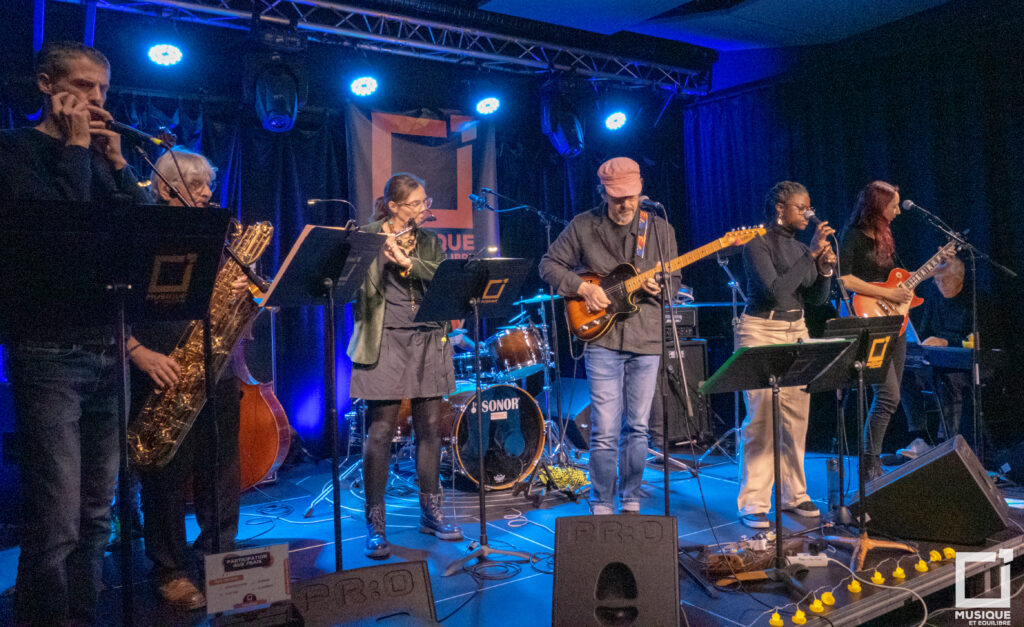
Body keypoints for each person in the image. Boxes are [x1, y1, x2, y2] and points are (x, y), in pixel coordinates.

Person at [0, 41, 151, 625]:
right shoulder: (13, 151)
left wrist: (115, 164)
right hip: (48, 352)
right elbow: (64, 232)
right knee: (57, 521)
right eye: (84, 87)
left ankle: (84, 616)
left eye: (103, 90)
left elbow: (142, 237)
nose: (96, 100)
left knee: (96, 515)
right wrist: (79, 150)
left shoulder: (99, 157)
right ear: (46, 84)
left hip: (106, 348)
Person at [128, 148, 243, 609]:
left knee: (223, 466)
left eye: (208, 185)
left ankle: (220, 552)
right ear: (163, 187)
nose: (208, 194)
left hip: (216, 363)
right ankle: (170, 568)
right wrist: (138, 353)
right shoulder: (142, 229)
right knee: (166, 472)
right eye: (197, 186)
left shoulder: (216, 235)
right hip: (163, 360)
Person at [539, 157, 678, 515]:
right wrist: (583, 288)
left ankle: (631, 497)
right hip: (601, 338)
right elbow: (548, 265)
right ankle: (602, 500)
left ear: (641, 191)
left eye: (631, 197)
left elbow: (673, 284)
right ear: (602, 193)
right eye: (617, 198)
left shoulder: (659, 229)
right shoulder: (584, 225)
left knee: (639, 427)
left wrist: (659, 288)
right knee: (604, 429)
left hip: (646, 338)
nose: (626, 205)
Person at [348, 172, 463, 559]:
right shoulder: (367, 235)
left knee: (430, 428)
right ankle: (375, 525)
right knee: (380, 432)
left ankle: (431, 513)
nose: (423, 209)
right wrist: (378, 257)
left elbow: (445, 280)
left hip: (429, 337)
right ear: (393, 207)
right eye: (415, 204)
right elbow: (350, 287)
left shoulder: (429, 241)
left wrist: (409, 262)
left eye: (424, 202)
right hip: (385, 340)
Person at [735, 181, 835, 529]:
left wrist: (824, 270)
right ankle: (754, 502)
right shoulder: (755, 243)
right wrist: (810, 256)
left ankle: (794, 494)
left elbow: (817, 299)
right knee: (762, 420)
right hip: (761, 329)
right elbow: (777, 291)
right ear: (780, 208)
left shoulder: (798, 249)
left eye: (809, 207)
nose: (808, 213)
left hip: (797, 329)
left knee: (796, 416)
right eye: (801, 207)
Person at [839, 181, 915, 481]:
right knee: (886, 394)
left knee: (891, 399)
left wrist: (907, 289)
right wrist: (886, 295)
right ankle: (867, 464)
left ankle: (871, 463)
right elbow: (844, 279)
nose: (897, 210)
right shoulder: (853, 235)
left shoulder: (886, 235)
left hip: (895, 323)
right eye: (893, 205)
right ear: (877, 205)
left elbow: (895, 280)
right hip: (869, 322)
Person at [899, 256, 973, 455]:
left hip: (963, 364)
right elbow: (924, 330)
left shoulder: (973, 300)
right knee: (905, 374)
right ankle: (920, 436)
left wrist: (947, 342)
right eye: (937, 281)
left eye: (946, 280)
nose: (941, 285)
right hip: (935, 360)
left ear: (960, 279)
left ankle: (947, 443)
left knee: (949, 379)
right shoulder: (934, 298)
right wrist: (920, 340)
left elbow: (975, 337)